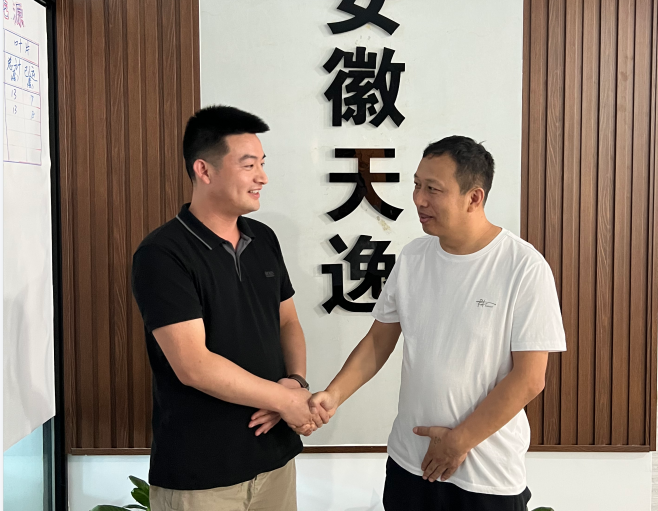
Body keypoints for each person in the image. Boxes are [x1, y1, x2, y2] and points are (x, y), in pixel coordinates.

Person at [309, 136, 567, 511]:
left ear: (474, 197)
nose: (418, 199)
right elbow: (379, 340)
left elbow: (529, 378)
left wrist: (459, 441)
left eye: (433, 189)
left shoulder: (523, 267)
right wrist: (334, 395)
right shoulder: (413, 257)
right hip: (408, 463)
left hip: (483, 473)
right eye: (417, 184)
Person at [132, 105, 319, 511]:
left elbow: (287, 321)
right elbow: (193, 365)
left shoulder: (264, 239)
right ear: (204, 170)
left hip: (274, 460)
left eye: (263, 164)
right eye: (248, 165)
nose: (262, 177)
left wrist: (295, 383)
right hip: (202, 475)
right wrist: (283, 400)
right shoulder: (162, 254)